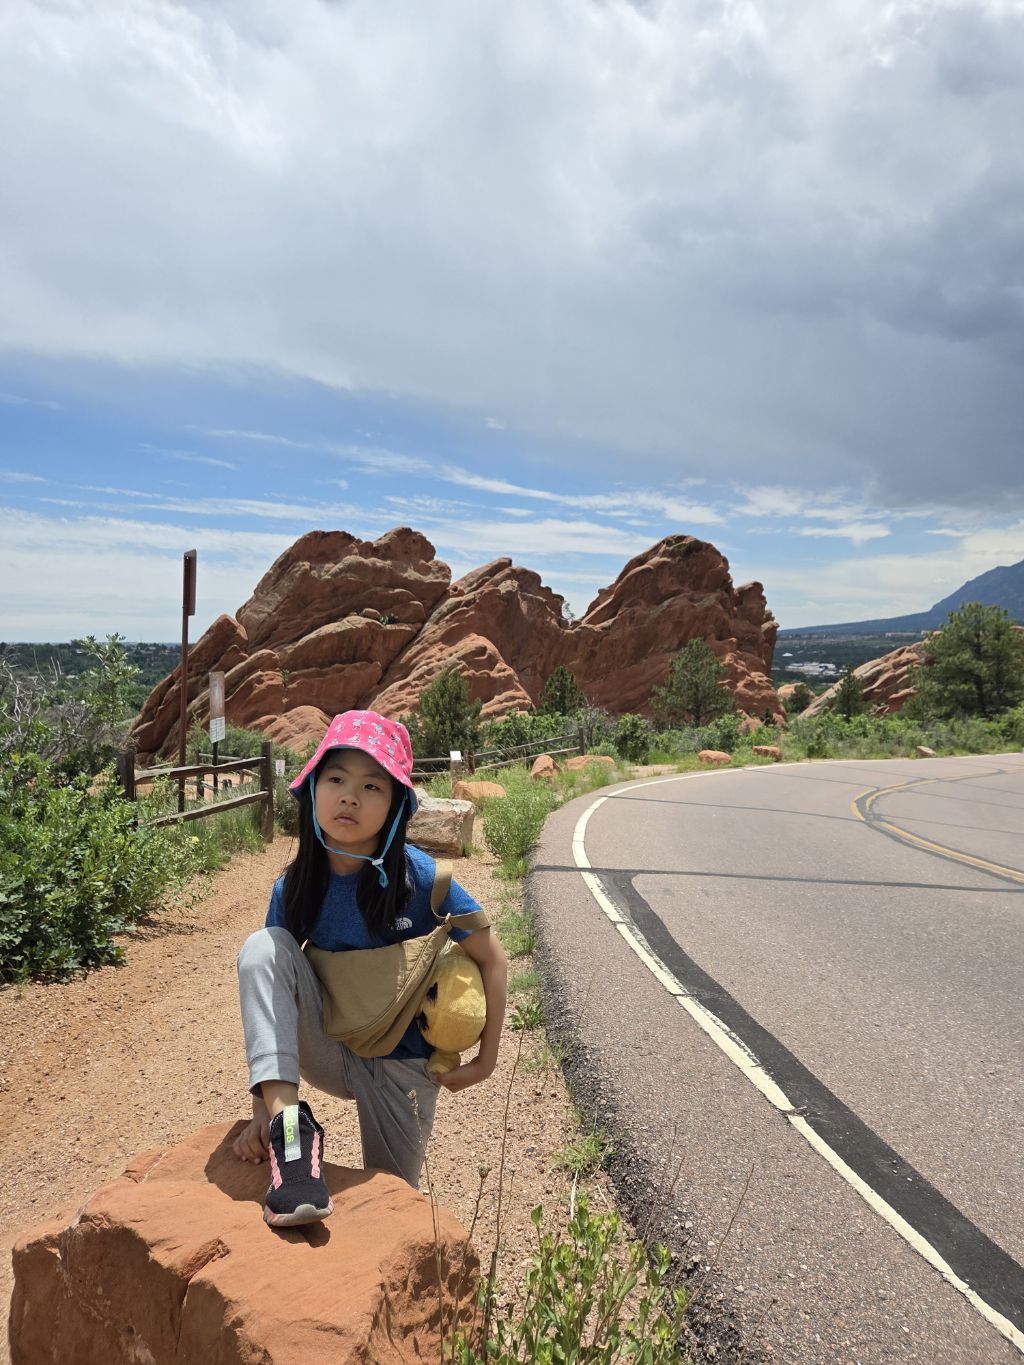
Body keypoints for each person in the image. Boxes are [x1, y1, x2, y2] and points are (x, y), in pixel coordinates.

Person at [233, 709, 507, 1228]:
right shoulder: (296, 887)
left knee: (391, 1209)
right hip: (333, 1048)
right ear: (313, 788)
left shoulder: (422, 878)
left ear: (396, 805)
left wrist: (486, 1061)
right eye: (336, 779)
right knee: (263, 948)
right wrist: (259, 1113)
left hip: (403, 1069)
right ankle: (290, 1134)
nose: (350, 797)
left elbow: (493, 959)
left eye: (372, 786)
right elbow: (272, 991)